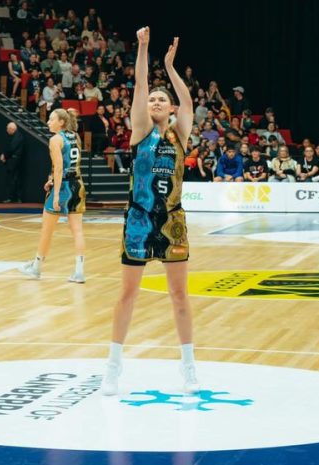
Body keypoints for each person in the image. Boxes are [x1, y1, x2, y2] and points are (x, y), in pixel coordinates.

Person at [101, 27, 196, 397]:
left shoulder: (180, 133)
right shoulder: (140, 131)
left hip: (172, 220)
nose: (155, 101)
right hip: (138, 220)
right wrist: (142, 48)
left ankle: (188, 367)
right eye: (153, 99)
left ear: (170, 109)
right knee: (127, 296)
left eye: (162, 99)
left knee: (179, 296)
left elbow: (186, 103)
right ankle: (113, 366)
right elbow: (139, 86)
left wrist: (171, 67)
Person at [17, 108, 87, 283]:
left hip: (63, 187)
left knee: (46, 230)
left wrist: (55, 194)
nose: (48, 122)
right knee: (77, 231)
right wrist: (51, 179)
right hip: (78, 185)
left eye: (51, 119)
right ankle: (79, 272)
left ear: (61, 122)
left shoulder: (56, 139)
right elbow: (70, 164)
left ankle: (36, 267)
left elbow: (59, 167)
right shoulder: (75, 136)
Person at [0, 122, 25, 203]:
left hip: (14, 162)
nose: (7, 130)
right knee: (15, 179)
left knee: (12, 179)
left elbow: (12, 148)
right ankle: (15, 197)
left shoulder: (18, 137)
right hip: (16, 161)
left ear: (12, 129)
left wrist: (4, 156)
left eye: (8, 128)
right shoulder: (17, 136)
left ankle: (12, 197)